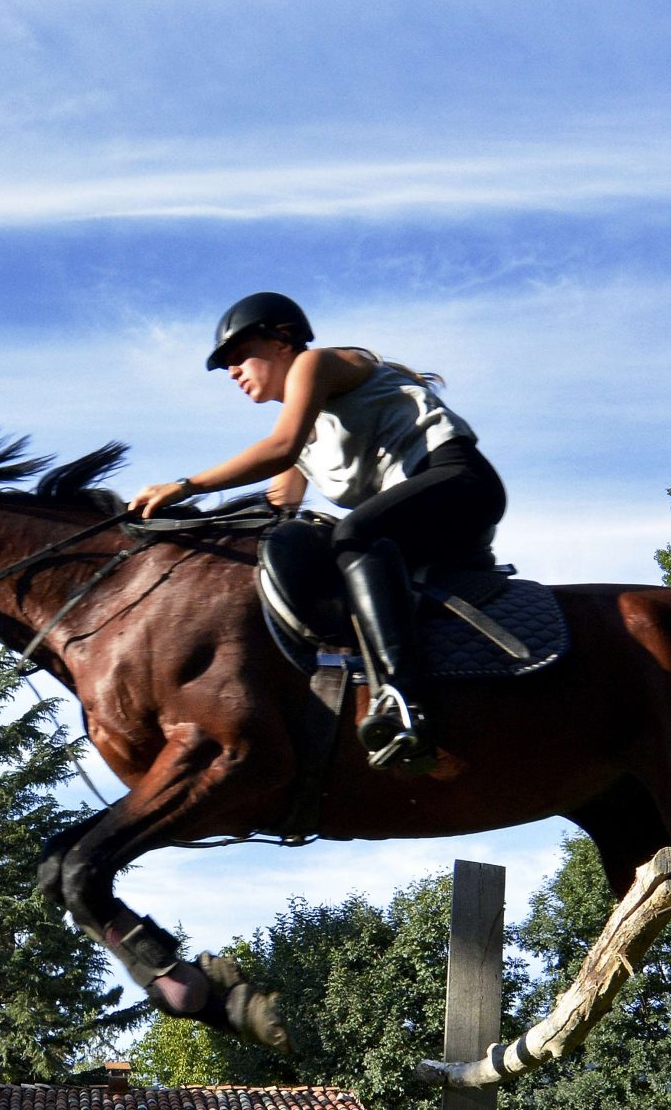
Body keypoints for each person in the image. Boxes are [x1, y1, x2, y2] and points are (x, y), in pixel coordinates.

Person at [130, 292, 507, 770]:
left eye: (238, 356)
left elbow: (280, 446)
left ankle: (403, 701)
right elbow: (274, 511)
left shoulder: (316, 363)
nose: (232, 372)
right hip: (418, 522)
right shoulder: (310, 439)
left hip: (460, 483)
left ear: (282, 341)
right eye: (227, 364)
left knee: (353, 536)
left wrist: (186, 486)